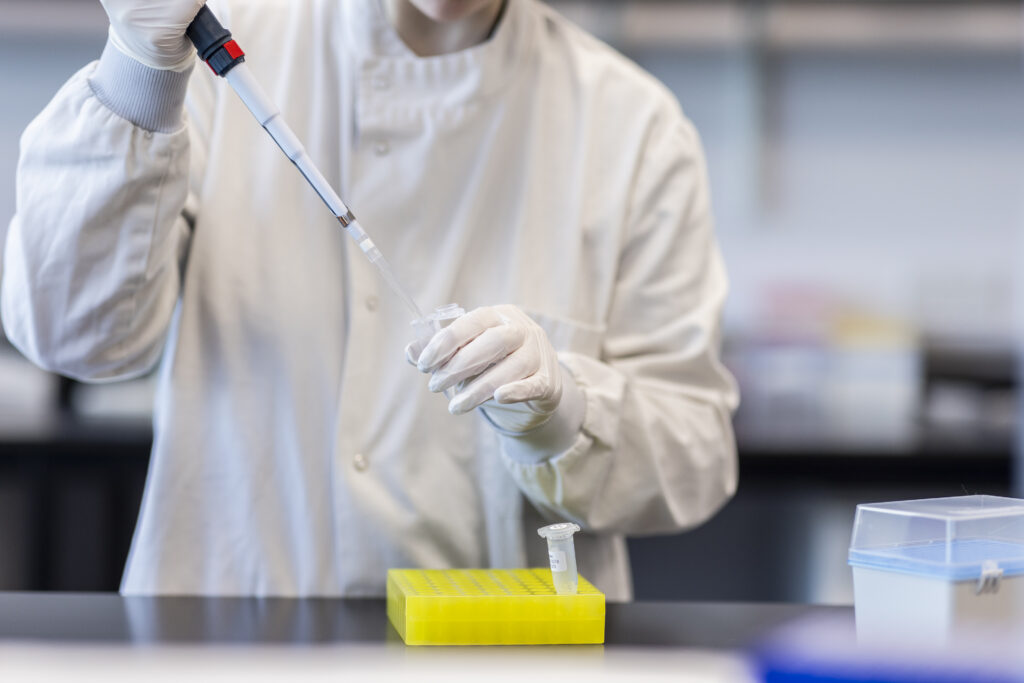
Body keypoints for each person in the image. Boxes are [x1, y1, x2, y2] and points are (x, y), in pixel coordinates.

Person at [0, 0, 738, 601]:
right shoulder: (217, 56)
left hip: (500, 651)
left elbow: (695, 454)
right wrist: (139, 71)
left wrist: (567, 411)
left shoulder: (632, 126)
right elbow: (75, 337)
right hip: (234, 638)